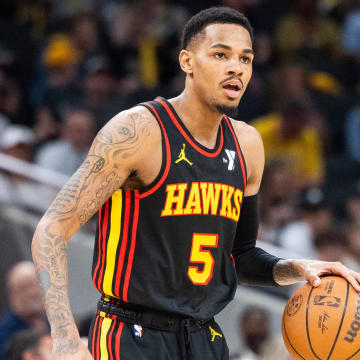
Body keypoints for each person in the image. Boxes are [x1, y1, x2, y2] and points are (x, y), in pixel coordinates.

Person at [31, 7, 360, 360]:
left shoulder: (247, 145)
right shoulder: (138, 132)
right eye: (221, 54)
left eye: (245, 59)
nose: (236, 67)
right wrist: (65, 335)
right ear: (187, 61)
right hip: (132, 333)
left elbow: (242, 258)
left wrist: (297, 268)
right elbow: (50, 229)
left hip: (204, 335)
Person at [0, 262, 48, 359]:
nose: (33, 292)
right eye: (25, 287)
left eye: (37, 284)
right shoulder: (4, 333)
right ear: (13, 294)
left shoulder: (54, 319)